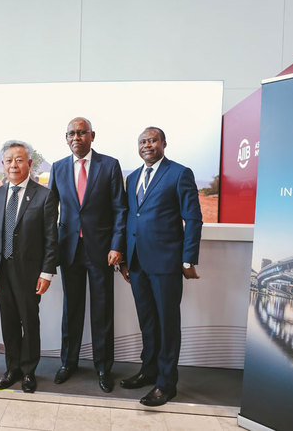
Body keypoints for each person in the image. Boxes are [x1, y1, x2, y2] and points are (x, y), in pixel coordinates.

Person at [120, 126, 202, 406]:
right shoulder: (132, 178)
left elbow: (193, 218)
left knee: (168, 323)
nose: (147, 145)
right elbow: (130, 217)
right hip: (137, 263)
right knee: (147, 321)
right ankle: (148, 371)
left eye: (153, 140)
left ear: (164, 144)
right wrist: (122, 256)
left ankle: (166, 384)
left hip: (166, 263)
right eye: (142, 141)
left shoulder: (180, 173)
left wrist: (188, 258)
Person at [48, 117, 127, 393]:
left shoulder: (110, 165)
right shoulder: (57, 168)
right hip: (69, 249)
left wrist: (117, 245)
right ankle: (68, 362)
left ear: (92, 135)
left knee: (102, 310)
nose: (76, 138)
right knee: (72, 309)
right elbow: (50, 211)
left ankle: (104, 367)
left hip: (101, 250)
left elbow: (120, 209)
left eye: (82, 133)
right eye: (71, 133)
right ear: (65, 137)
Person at [0, 140, 58, 393]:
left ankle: (28, 372)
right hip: (1, 269)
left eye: (19, 159)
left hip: (30, 272)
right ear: (3, 164)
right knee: (9, 322)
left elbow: (51, 238)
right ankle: (12, 368)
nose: (13, 164)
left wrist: (46, 272)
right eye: (9, 160)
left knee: (29, 321)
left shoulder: (44, 195)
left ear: (29, 163)